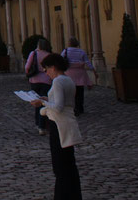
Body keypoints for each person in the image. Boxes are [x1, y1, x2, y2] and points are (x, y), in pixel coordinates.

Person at [30, 54, 83, 200]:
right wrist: (46, 99)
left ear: (53, 67)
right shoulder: (68, 79)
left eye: (46, 69)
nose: (46, 72)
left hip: (59, 125)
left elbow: (58, 107)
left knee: (60, 166)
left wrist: (41, 103)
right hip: (67, 123)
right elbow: (65, 102)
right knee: (69, 163)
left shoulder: (58, 81)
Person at [62, 38, 96, 116]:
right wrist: (94, 71)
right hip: (80, 73)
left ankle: (73, 108)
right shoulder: (81, 51)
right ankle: (80, 107)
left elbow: (60, 60)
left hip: (69, 74)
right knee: (80, 92)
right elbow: (87, 62)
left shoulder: (66, 51)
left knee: (71, 92)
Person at [26, 38, 53, 134]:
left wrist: (29, 75)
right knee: (44, 102)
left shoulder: (33, 53)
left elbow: (27, 67)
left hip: (35, 81)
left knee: (36, 102)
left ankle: (38, 124)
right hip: (46, 80)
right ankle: (42, 126)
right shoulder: (49, 55)